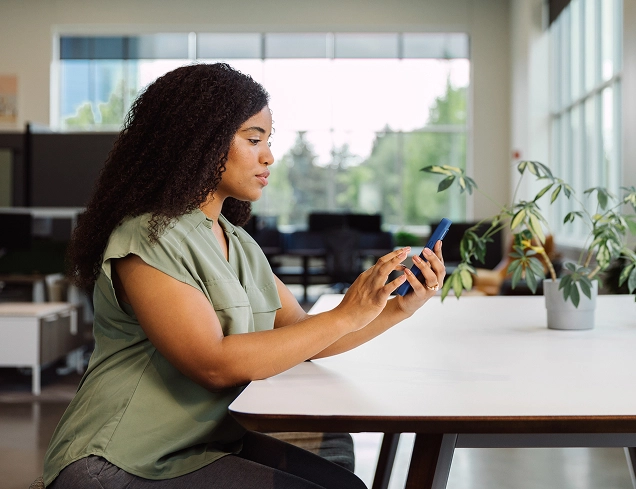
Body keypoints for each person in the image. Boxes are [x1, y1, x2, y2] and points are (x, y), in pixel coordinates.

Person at [42, 63, 446, 489]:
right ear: (198, 141)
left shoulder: (238, 242)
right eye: (253, 140)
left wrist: (398, 306)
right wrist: (347, 313)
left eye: (268, 141)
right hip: (117, 463)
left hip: (195, 449)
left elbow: (306, 335)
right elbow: (212, 364)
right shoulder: (148, 236)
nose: (269, 156)